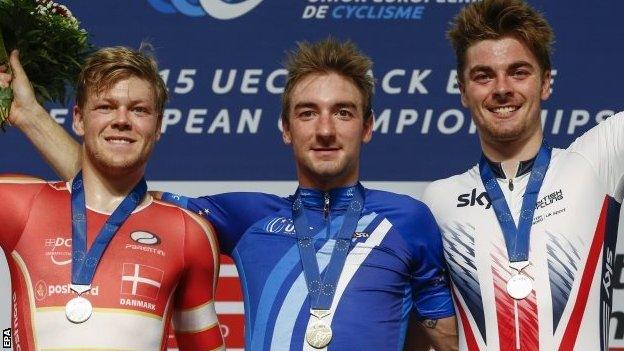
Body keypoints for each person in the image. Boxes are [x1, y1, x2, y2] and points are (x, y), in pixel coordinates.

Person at [4, 38, 458, 350]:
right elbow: (115, 197)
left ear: (368, 126)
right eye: (306, 113)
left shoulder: (409, 219)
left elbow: (443, 339)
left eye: (342, 112)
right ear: (285, 129)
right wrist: (31, 118)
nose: (324, 130)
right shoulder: (247, 217)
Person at [420, 0, 623, 350]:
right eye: (483, 75)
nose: (501, 88)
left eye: (519, 72)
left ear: (545, 83)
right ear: (463, 91)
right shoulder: (438, 200)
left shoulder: (594, 162)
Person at [0, 47, 224, 350]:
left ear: (158, 126)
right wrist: (28, 115)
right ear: (78, 119)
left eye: (139, 110)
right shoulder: (20, 205)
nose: (122, 120)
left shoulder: (187, 232)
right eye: (105, 107)